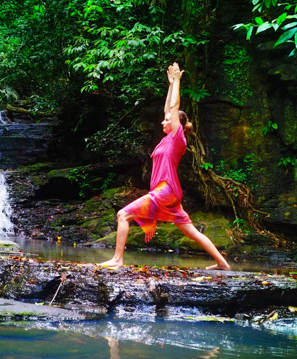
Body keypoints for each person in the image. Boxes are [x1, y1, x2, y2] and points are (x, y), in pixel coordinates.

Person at [99, 63, 231, 270]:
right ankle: (223, 264)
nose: (163, 121)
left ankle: (117, 260)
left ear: (177, 123)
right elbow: (168, 108)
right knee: (191, 231)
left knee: (123, 214)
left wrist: (178, 81)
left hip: (165, 189)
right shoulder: (167, 138)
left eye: (167, 120)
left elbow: (173, 108)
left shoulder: (178, 138)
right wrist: (170, 84)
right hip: (170, 193)